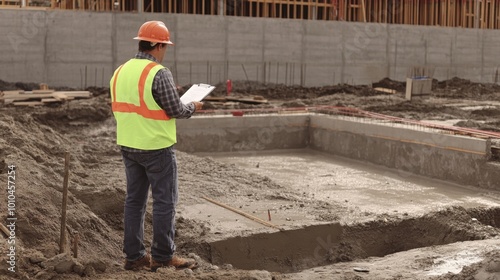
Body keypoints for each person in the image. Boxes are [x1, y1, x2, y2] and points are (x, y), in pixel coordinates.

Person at [109, 20, 203, 272]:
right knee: (164, 202)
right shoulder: (159, 72)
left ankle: (135, 257)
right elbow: (176, 110)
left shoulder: (120, 71)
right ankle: (162, 256)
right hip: (156, 147)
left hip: (129, 145)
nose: (165, 51)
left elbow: (131, 103)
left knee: (134, 201)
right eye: (165, 46)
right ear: (158, 45)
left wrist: (170, 94)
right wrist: (193, 106)